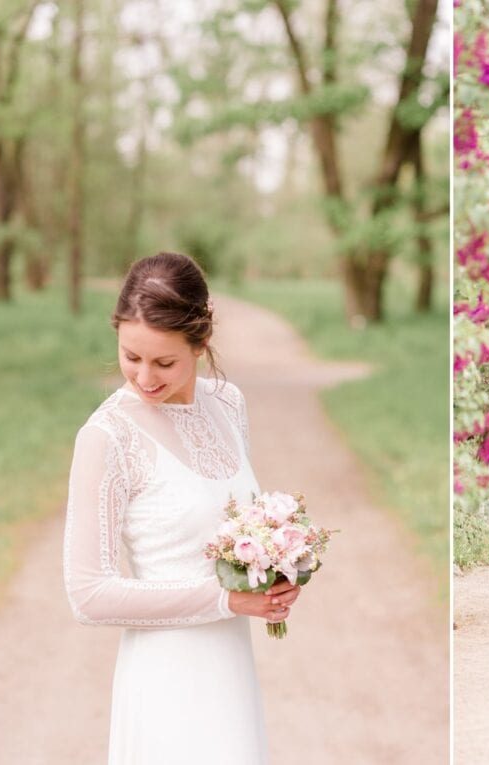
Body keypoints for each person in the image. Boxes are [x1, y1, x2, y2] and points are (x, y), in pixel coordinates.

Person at [62, 252, 301, 764]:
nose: (143, 377)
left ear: (201, 342)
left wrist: (273, 569)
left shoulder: (229, 404)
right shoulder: (106, 438)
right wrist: (225, 599)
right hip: (166, 676)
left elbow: (235, 525)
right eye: (131, 356)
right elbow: (88, 594)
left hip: (230, 667)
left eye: (164, 361)